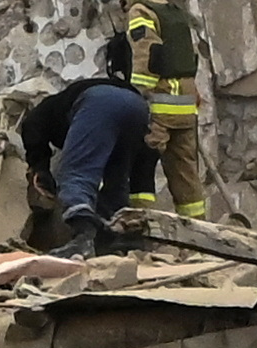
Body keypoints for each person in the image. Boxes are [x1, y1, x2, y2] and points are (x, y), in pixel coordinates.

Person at [18, 35, 159, 258]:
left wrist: (40, 167)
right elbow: (142, 163)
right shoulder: (84, 98)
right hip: (138, 106)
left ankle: (83, 238)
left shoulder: (50, 106)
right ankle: (114, 239)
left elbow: (32, 124)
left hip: (99, 102)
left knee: (76, 174)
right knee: (117, 179)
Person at [112, 0, 209, 218]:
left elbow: (147, 51)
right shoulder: (173, 11)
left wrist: (136, 93)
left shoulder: (140, 11)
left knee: (140, 164)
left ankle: (139, 229)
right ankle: (198, 238)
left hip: (160, 104)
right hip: (186, 105)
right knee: (186, 175)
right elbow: (189, 55)